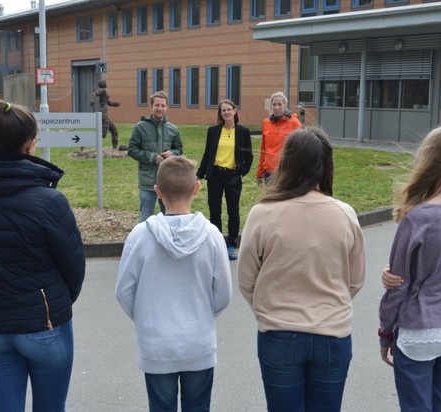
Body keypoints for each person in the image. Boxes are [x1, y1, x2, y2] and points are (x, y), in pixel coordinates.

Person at [0, 100, 86, 412]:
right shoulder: (50, 201)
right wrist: (56, 305)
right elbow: (74, 267)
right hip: (44, 324)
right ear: (30, 144)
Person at [238, 127, 365, 411]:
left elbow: (247, 279)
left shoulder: (263, 213)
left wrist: (268, 310)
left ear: (287, 162)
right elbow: (355, 280)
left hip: (279, 333)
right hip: (333, 333)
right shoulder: (345, 214)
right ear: (327, 166)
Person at [378, 124, 441, 412]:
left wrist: (386, 332)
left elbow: (398, 286)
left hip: (420, 329)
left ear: (429, 160)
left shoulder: (417, 218)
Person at [116, 155, 232, 412]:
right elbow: (223, 293)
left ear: (157, 191)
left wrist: (146, 316)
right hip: (198, 342)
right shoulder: (212, 236)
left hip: (156, 343)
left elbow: (123, 291)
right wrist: (202, 314)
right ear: (197, 188)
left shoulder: (140, 236)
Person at [197, 99, 253, 261]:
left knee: (233, 211)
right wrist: (199, 174)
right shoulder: (213, 131)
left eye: (229, 109)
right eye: (223, 110)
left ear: (235, 111)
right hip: (215, 175)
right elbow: (207, 154)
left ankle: (231, 244)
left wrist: (240, 173)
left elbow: (249, 157)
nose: (226, 113)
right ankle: (217, 243)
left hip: (233, 176)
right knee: (215, 210)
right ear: (220, 114)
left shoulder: (243, 131)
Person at [128, 90, 183, 222]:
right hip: (148, 182)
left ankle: (167, 242)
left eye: (163, 106)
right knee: (146, 219)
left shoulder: (173, 129)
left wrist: (172, 154)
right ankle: (145, 243)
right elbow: (131, 149)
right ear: (152, 106)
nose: (160, 108)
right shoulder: (140, 127)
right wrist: (152, 157)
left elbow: (179, 149)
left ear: (167, 107)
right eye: (157, 105)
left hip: (167, 182)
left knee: (169, 218)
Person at [256, 91, 302, 186]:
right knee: (271, 199)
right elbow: (263, 150)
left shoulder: (294, 123)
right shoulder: (266, 123)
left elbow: (300, 151)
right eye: (274, 104)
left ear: (285, 105)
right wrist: (259, 173)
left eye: (280, 104)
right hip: (268, 172)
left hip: (286, 172)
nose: (276, 107)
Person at [90, 79, 121, 149]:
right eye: (104, 82)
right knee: (103, 134)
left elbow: (108, 102)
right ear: (103, 85)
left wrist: (115, 104)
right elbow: (94, 94)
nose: (106, 83)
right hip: (103, 113)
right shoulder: (102, 90)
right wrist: (92, 100)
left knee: (114, 131)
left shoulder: (104, 91)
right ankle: (86, 141)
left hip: (105, 113)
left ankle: (115, 148)